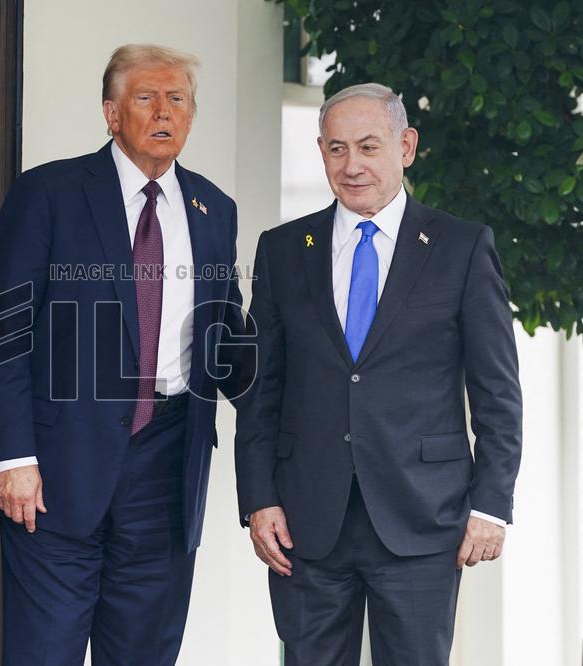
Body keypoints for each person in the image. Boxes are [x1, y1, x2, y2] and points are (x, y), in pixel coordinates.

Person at [235, 82, 522, 665]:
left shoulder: (461, 248)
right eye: (336, 149)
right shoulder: (284, 249)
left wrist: (491, 505)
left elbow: (497, 392)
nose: (352, 165)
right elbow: (262, 390)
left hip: (422, 518)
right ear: (321, 152)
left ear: (406, 146)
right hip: (305, 523)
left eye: (368, 146)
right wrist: (258, 497)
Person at [0, 44, 246, 665]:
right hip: (54, 471)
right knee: (46, 653)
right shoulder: (49, 193)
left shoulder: (214, 210)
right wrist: (13, 457)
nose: (163, 112)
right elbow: (3, 332)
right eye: (145, 98)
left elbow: (224, 338)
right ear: (111, 113)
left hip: (166, 472)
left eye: (177, 99)